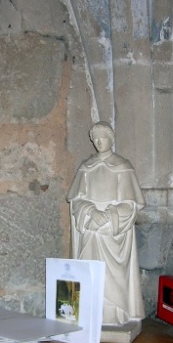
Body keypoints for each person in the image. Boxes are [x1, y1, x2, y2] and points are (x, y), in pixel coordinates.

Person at [67, 121, 146, 326]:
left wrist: (109, 216)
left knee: (114, 278)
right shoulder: (86, 167)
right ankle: (89, 316)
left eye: (104, 137)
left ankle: (116, 315)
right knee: (90, 274)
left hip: (113, 233)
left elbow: (131, 204)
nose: (100, 141)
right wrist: (91, 211)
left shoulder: (123, 166)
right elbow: (75, 201)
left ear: (112, 139)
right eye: (96, 138)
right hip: (91, 231)